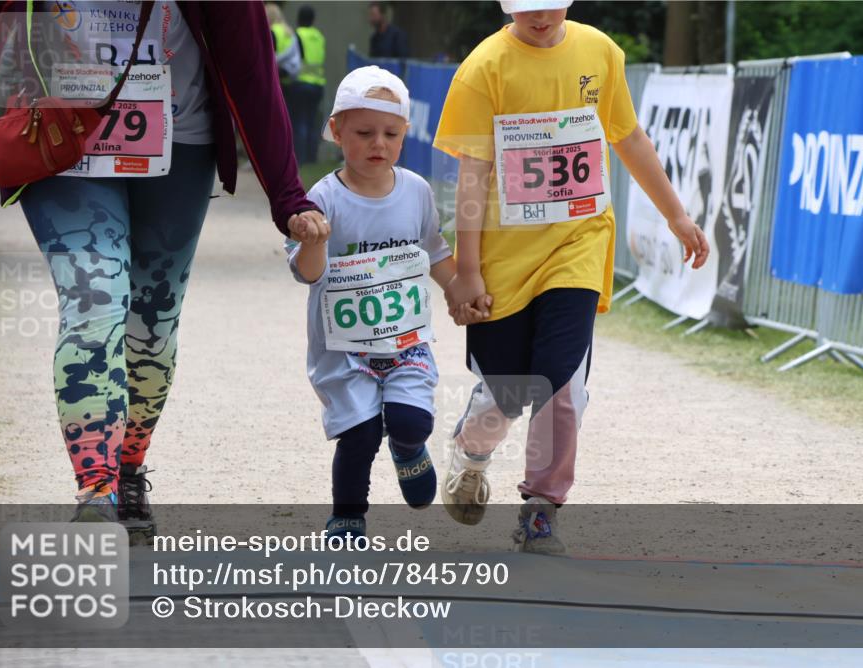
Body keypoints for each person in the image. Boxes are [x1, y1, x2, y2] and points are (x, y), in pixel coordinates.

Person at [0, 1, 326, 538]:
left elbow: (252, 71)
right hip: (62, 138)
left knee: (152, 326)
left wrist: (287, 195)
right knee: (94, 300)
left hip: (180, 144)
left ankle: (128, 464)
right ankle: (96, 489)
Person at [433, 0, 709, 554]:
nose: (541, 17)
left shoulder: (600, 52)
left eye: (550, 5)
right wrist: (467, 270)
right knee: (506, 398)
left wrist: (676, 213)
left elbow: (628, 137)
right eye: (528, 8)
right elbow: (473, 175)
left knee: (562, 385)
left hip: (578, 244)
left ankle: (542, 508)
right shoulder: (484, 68)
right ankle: (471, 451)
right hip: (503, 256)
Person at [287, 66, 489, 541]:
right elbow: (306, 272)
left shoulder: (416, 191)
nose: (378, 143)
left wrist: (458, 289)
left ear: (405, 135)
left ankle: (407, 447)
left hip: (406, 341)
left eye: (391, 133)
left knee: (410, 419)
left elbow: (435, 250)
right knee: (357, 435)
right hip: (344, 348)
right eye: (363, 133)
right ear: (336, 131)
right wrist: (315, 239)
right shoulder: (323, 197)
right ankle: (348, 516)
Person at [292, 4, 325, 165]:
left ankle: (301, 158)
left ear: (299, 18)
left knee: (300, 121)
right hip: (318, 85)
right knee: (312, 123)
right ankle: (312, 158)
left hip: (301, 84)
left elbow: (295, 60)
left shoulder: (297, 35)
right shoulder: (319, 36)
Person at [266, 1, 302, 123]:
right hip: (289, 78)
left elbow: (269, 56)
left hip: (275, 78)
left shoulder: (271, 31)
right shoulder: (289, 31)